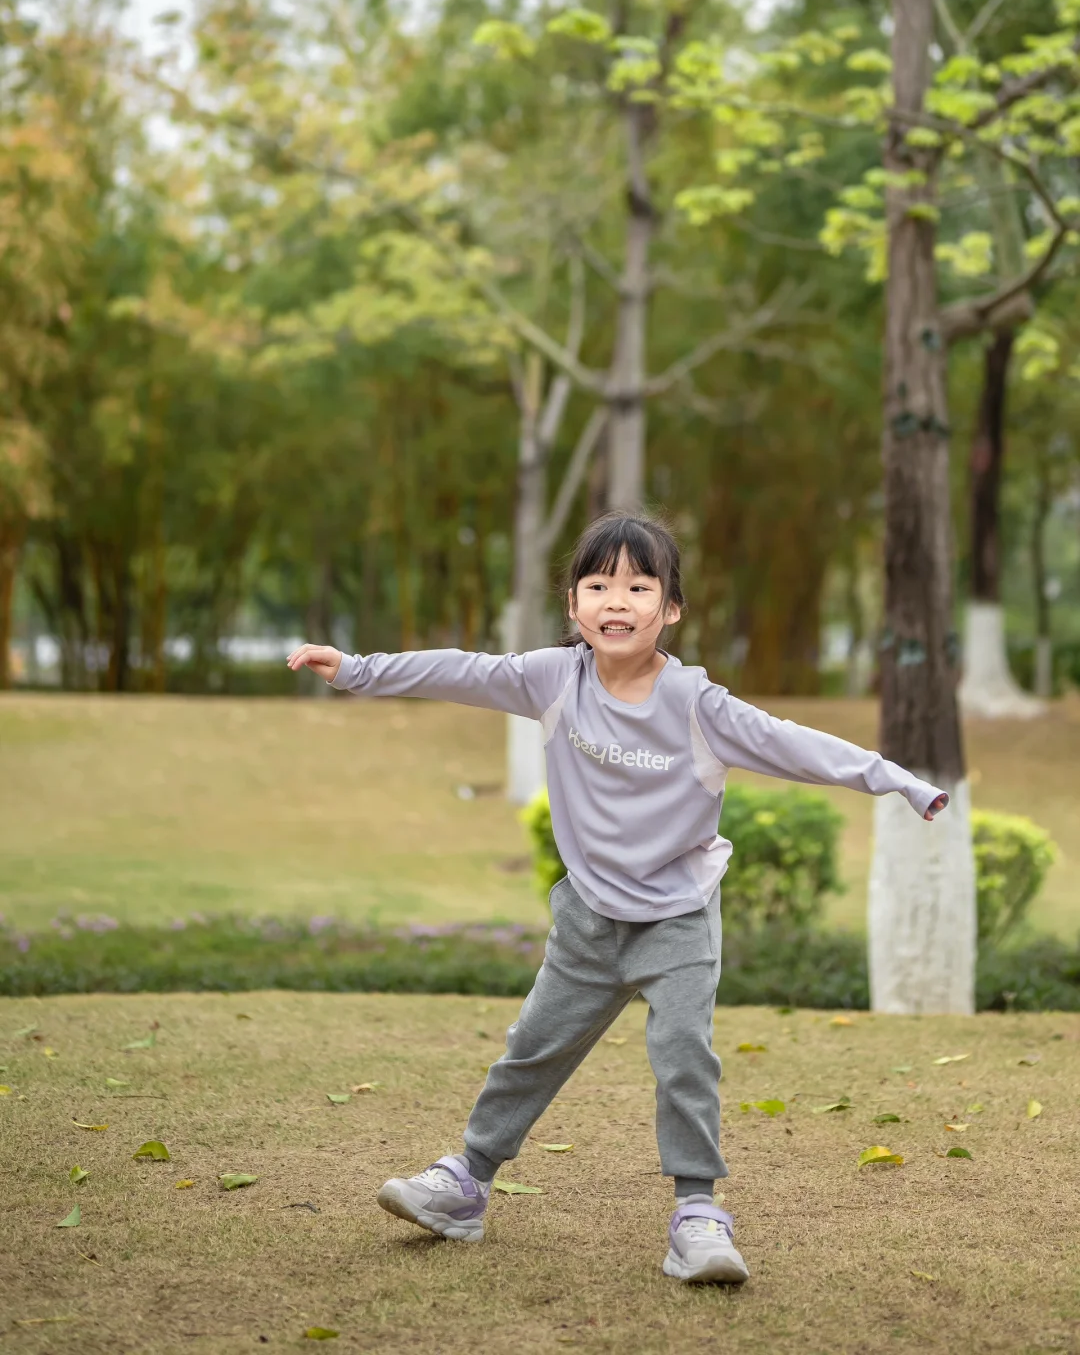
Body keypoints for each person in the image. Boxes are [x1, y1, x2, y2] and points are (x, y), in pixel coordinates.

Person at [287, 512, 948, 1285]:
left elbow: (796, 744)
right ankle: (465, 1184)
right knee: (532, 1050)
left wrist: (898, 779)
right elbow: (460, 670)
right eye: (599, 584)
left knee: (683, 1060)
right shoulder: (553, 678)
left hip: (677, 918)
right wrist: (356, 669)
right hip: (589, 917)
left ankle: (698, 1215)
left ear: (670, 610)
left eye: (640, 585)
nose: (617, 600)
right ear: (573, 604)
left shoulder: (698, 705)